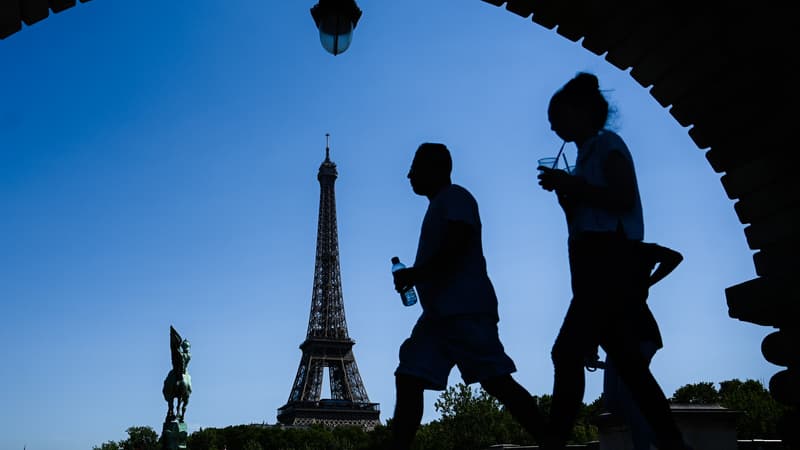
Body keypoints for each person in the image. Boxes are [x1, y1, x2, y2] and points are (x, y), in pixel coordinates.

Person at [536, 72, 692, 450]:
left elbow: (622, 199)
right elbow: (595, 211)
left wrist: (571, 186)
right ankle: (672, 443)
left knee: (567, 353)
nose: (552, 124)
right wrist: (567, 196)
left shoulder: (607, 146)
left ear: (580, 112)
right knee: (631, 368)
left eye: (557, 116)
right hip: (598, 268)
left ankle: (554, 440)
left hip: (605, 266)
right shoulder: (589, 154)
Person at [389, 142, 546, 449]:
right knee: (408, 378)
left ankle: (549, 439)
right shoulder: (442, 203)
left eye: (415, 168)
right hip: (439, 316)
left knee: (497, 381)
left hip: (464, 310)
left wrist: (416, 274)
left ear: (435, 169)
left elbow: (458, 244)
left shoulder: (455, 197)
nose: (408, 175)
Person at [587, 241, 684, 450]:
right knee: (613, 402)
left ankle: (661, 444)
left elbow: (675, 257)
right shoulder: (603, 255)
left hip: (640, 335)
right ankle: (661, 441)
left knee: (628, 395)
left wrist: (649, 281)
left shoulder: (636, 249)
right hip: (617, 340)